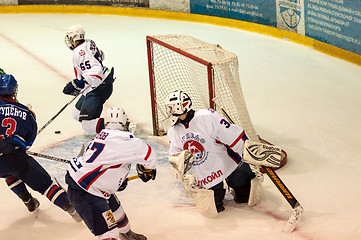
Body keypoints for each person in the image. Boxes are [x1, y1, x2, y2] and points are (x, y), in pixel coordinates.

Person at [164, 90, 269, 214]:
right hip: (207, 171)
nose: (169, 111)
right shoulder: (173, 131)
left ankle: (249, 175)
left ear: (180, 107)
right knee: (212, 208)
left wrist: (251, 152)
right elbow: (174, 153)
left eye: (170, 108)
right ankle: (196, 182)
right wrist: (178, 162)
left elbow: (232, 134)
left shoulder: (206, 117)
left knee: (246, 196)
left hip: (229, 162)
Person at [65, 107, 157, 240]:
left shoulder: (100, 136)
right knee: (109, 233)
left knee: (116, 209)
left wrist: (116, 180)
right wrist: (147, 171)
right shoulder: (127, 140)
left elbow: (106, 162)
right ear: (125, 124)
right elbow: (150, 158)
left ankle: (126, 233)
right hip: (88, 191)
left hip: (87, 182)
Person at [0, 74, 81, 221]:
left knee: (8, 172)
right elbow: (28, 143)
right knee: (45, 185)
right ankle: (73, 210)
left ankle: (28, 200)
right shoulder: (26, 113)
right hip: (15, 159)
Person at [63, 24, 115, 134]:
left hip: (99, 86)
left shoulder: (79, 52)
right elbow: (101, 55)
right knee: (77, 113)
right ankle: (103, 125)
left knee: (87, 124)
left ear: (73, 37)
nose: (68, 40)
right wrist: (80, 84)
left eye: (69, 37)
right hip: (98, 82)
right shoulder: (88, 42)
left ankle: (119, 126)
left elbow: (96, 72)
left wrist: (79, 83)